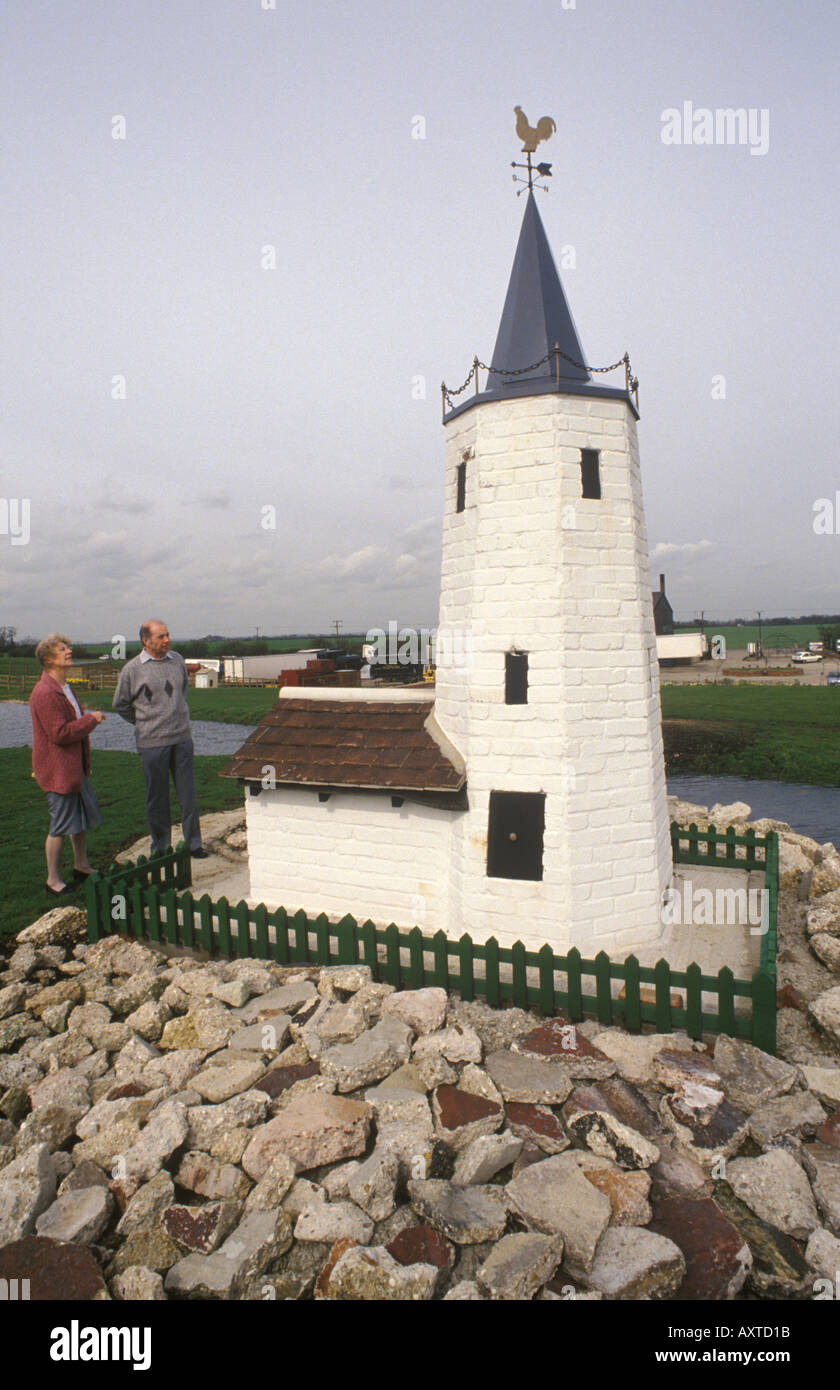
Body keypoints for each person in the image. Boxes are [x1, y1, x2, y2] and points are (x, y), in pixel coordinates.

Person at [112, 619, 207, 858]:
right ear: (146, 641)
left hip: (182, 739)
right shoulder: (132, 670)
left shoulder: (177, 660)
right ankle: (162, 848)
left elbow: (182, 690)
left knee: (188, 795)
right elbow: (120, 704)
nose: (167, 640)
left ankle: (194, 844)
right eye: (160, 637)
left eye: (168, 635)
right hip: (152, 743)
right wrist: (143, 720)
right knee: (157, 798)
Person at [29, 633, 106, 895]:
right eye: (63, 649)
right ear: (49, 659)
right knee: (60, 825)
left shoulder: (64, 687)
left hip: (74, 769)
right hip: (58, 772)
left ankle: (81, 865)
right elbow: (59, 734)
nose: (69, 652)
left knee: (80, 818)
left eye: (69, 648)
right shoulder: (44, 692)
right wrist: (91, 720)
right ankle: (53, 880)